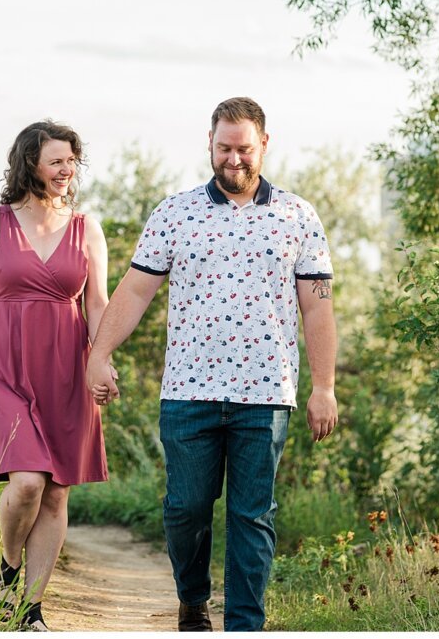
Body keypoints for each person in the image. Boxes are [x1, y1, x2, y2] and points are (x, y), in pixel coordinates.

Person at [85, 97, 338, 632]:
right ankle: (193, 599)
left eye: (244, 149)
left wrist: (325, 387)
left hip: (267, 392)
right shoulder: (174, 214)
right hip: (188, 390)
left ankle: (245, 624)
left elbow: (317, 307)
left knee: (253, 515)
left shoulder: (298, 216)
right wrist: (99, 353)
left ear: (264, 145)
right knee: (186, 509)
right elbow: (133, 292)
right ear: (210, 144)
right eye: (224, 148)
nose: (234, 159)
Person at [0, 120, 112, 632]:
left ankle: (30, 610)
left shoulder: (87, 228)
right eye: (57, 160)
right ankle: (7, 570)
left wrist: (100, 358)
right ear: (30, 163)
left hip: (65, 368)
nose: (67, 170)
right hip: (3, 367)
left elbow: (97, 302)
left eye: (71, 162)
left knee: (56, 492)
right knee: (26, 483)